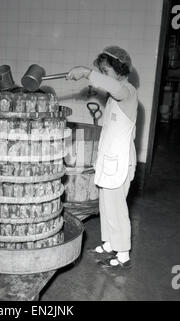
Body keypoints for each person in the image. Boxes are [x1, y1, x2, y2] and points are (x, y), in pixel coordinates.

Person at [66, 46, 138, 269]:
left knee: (117, 209)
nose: (103, 75)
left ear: (119, 70)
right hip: (109, 161)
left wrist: (87, 73)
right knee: (106, 206)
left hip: (121, 163)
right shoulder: (114, 95)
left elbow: (115, 88)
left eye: (106, 71)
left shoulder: (127, 91)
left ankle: (123, 254)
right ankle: (109, 244)